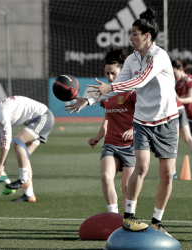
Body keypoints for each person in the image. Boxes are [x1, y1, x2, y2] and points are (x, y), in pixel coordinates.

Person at [66, 7, 178, 236]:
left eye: (135, 34)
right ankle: (128, 217)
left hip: (167, 121)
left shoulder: (159, 56)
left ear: (147, 36)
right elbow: (113, 91)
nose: (131, 38)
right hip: (142, 122)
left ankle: (157, 221)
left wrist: (111, 86)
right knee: (142, 167)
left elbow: (140, 80)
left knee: (167, 175)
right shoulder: (131, 59)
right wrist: (86, 101)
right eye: (131, 33)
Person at [0, 96, 55, 202]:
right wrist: (1, 164)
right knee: (24, 157)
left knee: (18, 142)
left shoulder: (2, 112)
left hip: (43, 117)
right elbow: (3, 141)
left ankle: (23, 180)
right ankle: (29, 194)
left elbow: (7, 139)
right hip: (35, 121)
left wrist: (0, 165)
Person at [87, 45, 136, 213]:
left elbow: (145, 116)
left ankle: (128, 219)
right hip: (111, 144)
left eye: (113, 73)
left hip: (131, 146)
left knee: (126, 186)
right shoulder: (105, 95)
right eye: (107, 73)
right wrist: (98, 137)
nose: (110, 77)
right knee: (106, 177)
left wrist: (134, 130)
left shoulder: (131, 91)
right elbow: (107, 119)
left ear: (122, 72)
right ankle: (113, 217)